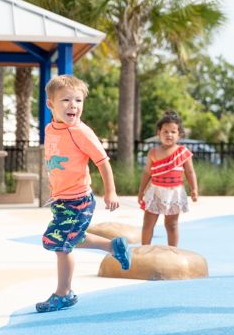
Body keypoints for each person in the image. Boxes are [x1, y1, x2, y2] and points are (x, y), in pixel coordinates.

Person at [37, 75, 132, 313]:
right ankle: (114, 246)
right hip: (61, 200)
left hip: (78, 200)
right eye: (66, 100)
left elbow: (102, 161)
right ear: (50, 105)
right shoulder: (50, 129)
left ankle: (63, 294)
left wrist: (110, 191)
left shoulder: (81, 132)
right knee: (72, 237)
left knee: (61, 245)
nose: (73, 106)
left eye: (78, 100)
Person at [136, 111, 198, 247]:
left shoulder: (183, 152)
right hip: (155, 192)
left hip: (174, 193)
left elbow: (190, 172)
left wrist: (194, 189)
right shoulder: (153, 152)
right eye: (165, 131)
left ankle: (173, 252)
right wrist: (141, 192)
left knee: (172, 225)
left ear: (179, 134)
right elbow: (147, 173)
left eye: (173, 132)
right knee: (148, 223)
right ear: (159, 133)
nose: (169, 134)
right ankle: (144, 249)